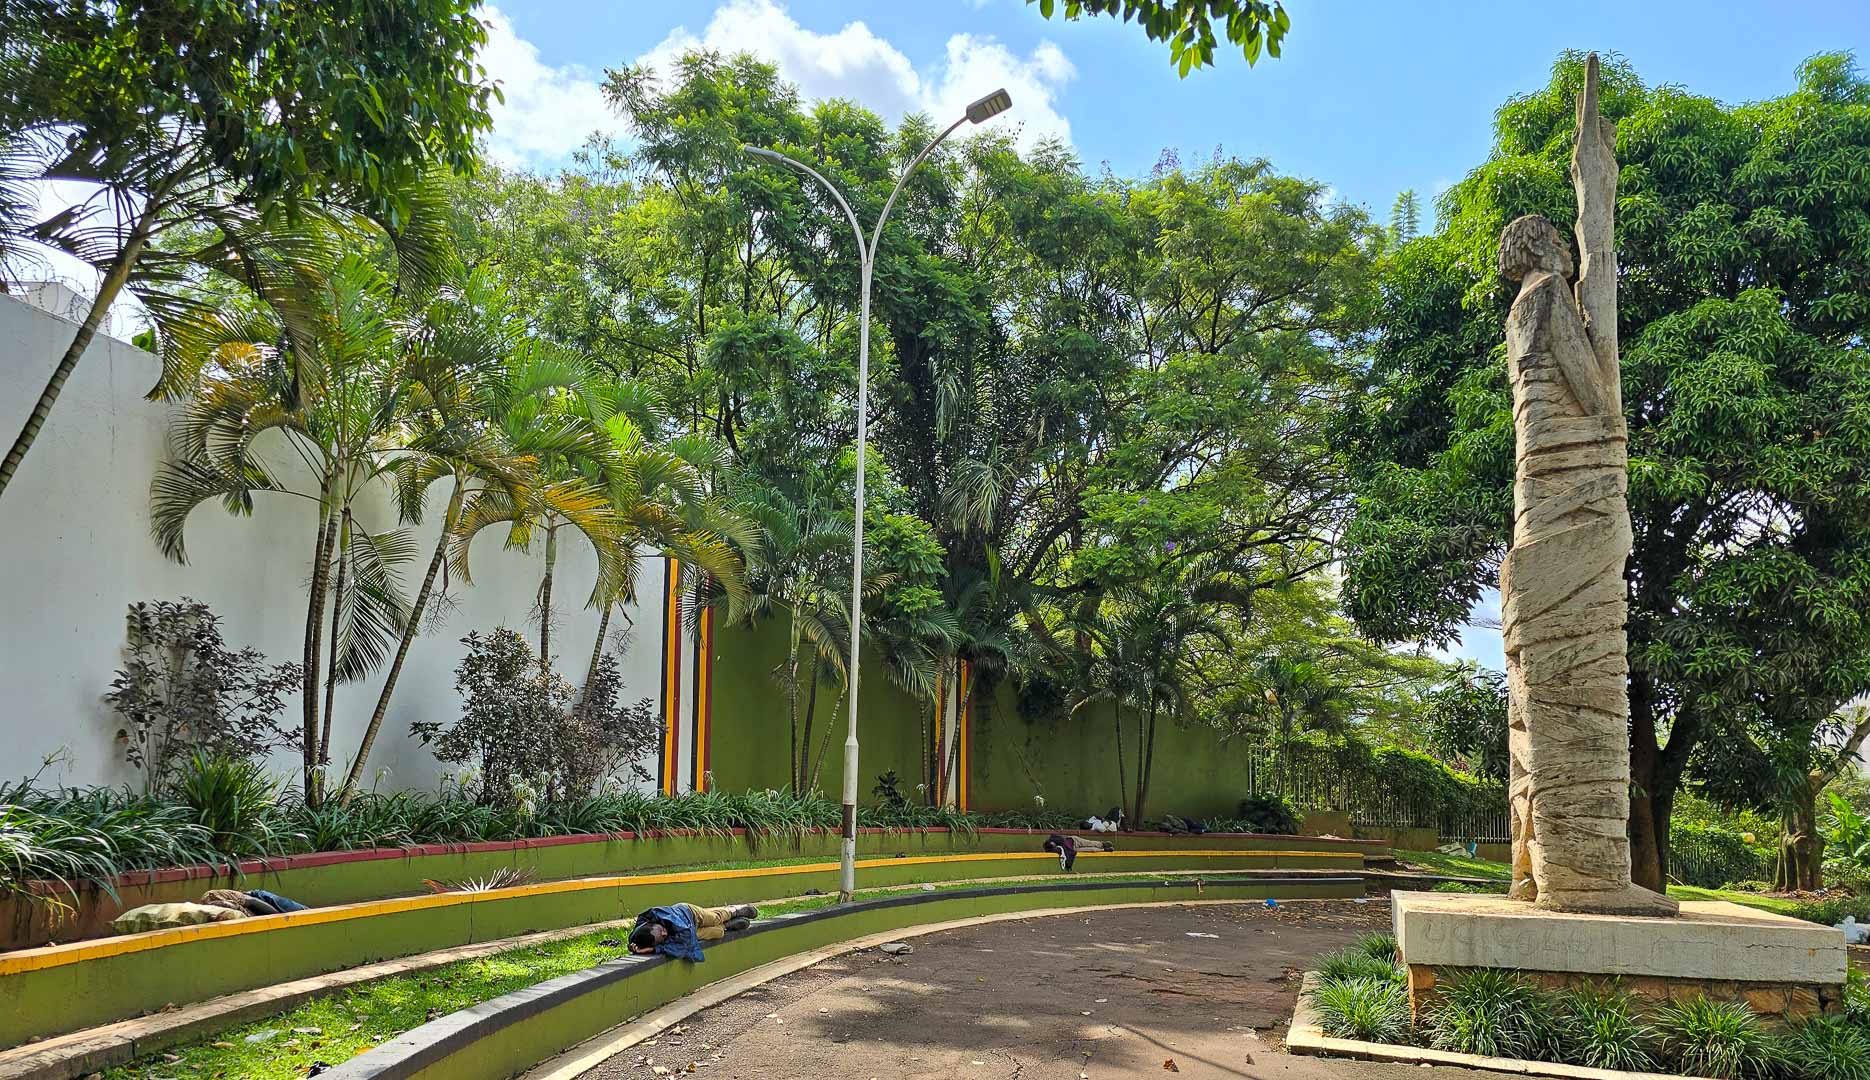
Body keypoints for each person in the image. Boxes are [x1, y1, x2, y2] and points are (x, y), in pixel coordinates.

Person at [627, 902, 759, 961]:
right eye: (662, 938)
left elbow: (682, 942)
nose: (664, 934)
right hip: (688, 932)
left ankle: (733, 911)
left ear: (653, 923)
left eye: (662, 930)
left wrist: (657, 948)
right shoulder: (641, 938)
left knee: (714, 919)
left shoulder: (654, 914)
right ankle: (727, 926)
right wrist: (651, 949)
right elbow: (682, 947)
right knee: (717, 933)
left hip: (690, 914)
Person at [1042, 833, 1114, 871]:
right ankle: (1104, 850)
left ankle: (1102, 844)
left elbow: (1062, 840)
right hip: (1074, 849)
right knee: (1090, 850)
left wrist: (1054, 842)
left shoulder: (1054, 838)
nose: (1053, 844)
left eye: (1052, 843)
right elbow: (1061, 851)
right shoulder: (1053, 848)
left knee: (1089, 843)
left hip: (1074, 840)